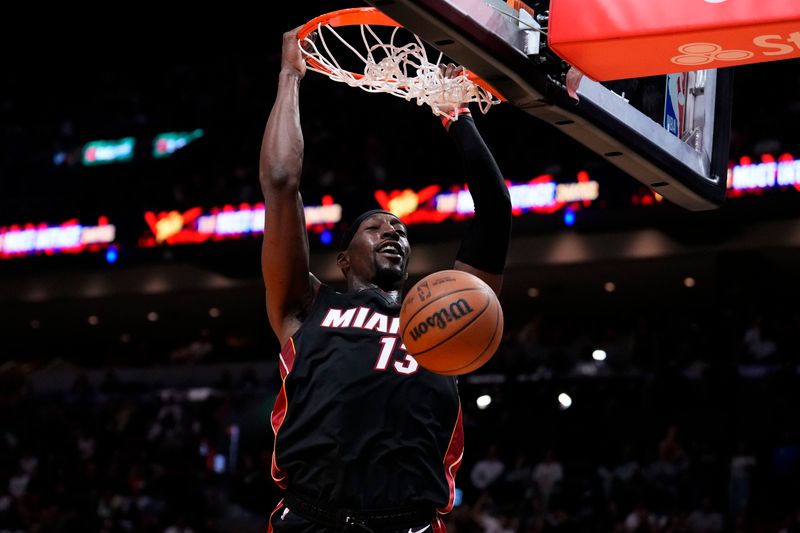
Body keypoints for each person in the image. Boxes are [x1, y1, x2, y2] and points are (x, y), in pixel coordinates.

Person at [260, 28, 512, 533]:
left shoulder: (450, 314)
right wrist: (290, 76)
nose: (392, 230)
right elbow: (283, 183)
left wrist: (453, 112)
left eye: (398, 228)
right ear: (344, 260)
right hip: (310, 518)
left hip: (409, 523)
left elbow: (496, 212)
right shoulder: (306, 306)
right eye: (374, 227)